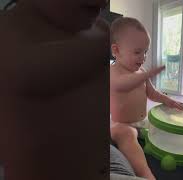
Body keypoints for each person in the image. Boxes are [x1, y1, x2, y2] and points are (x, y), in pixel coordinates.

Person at [0, 0, 109, 179]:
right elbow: (26, 71)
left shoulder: (101, 29)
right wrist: (100, 47)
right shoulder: (9, 28)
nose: (104, 2)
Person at [110, 17, 183, 180]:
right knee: (126, 134)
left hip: (144, 121)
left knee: (162, 123)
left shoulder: (141, 72)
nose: (143, 57)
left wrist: (169, 101)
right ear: (116, 51)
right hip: (121, 124)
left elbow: (152, 93)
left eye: (145, 52)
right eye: (137, 52)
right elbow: (123, 85)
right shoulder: (113, 73)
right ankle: (145, 173)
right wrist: (147, 74)